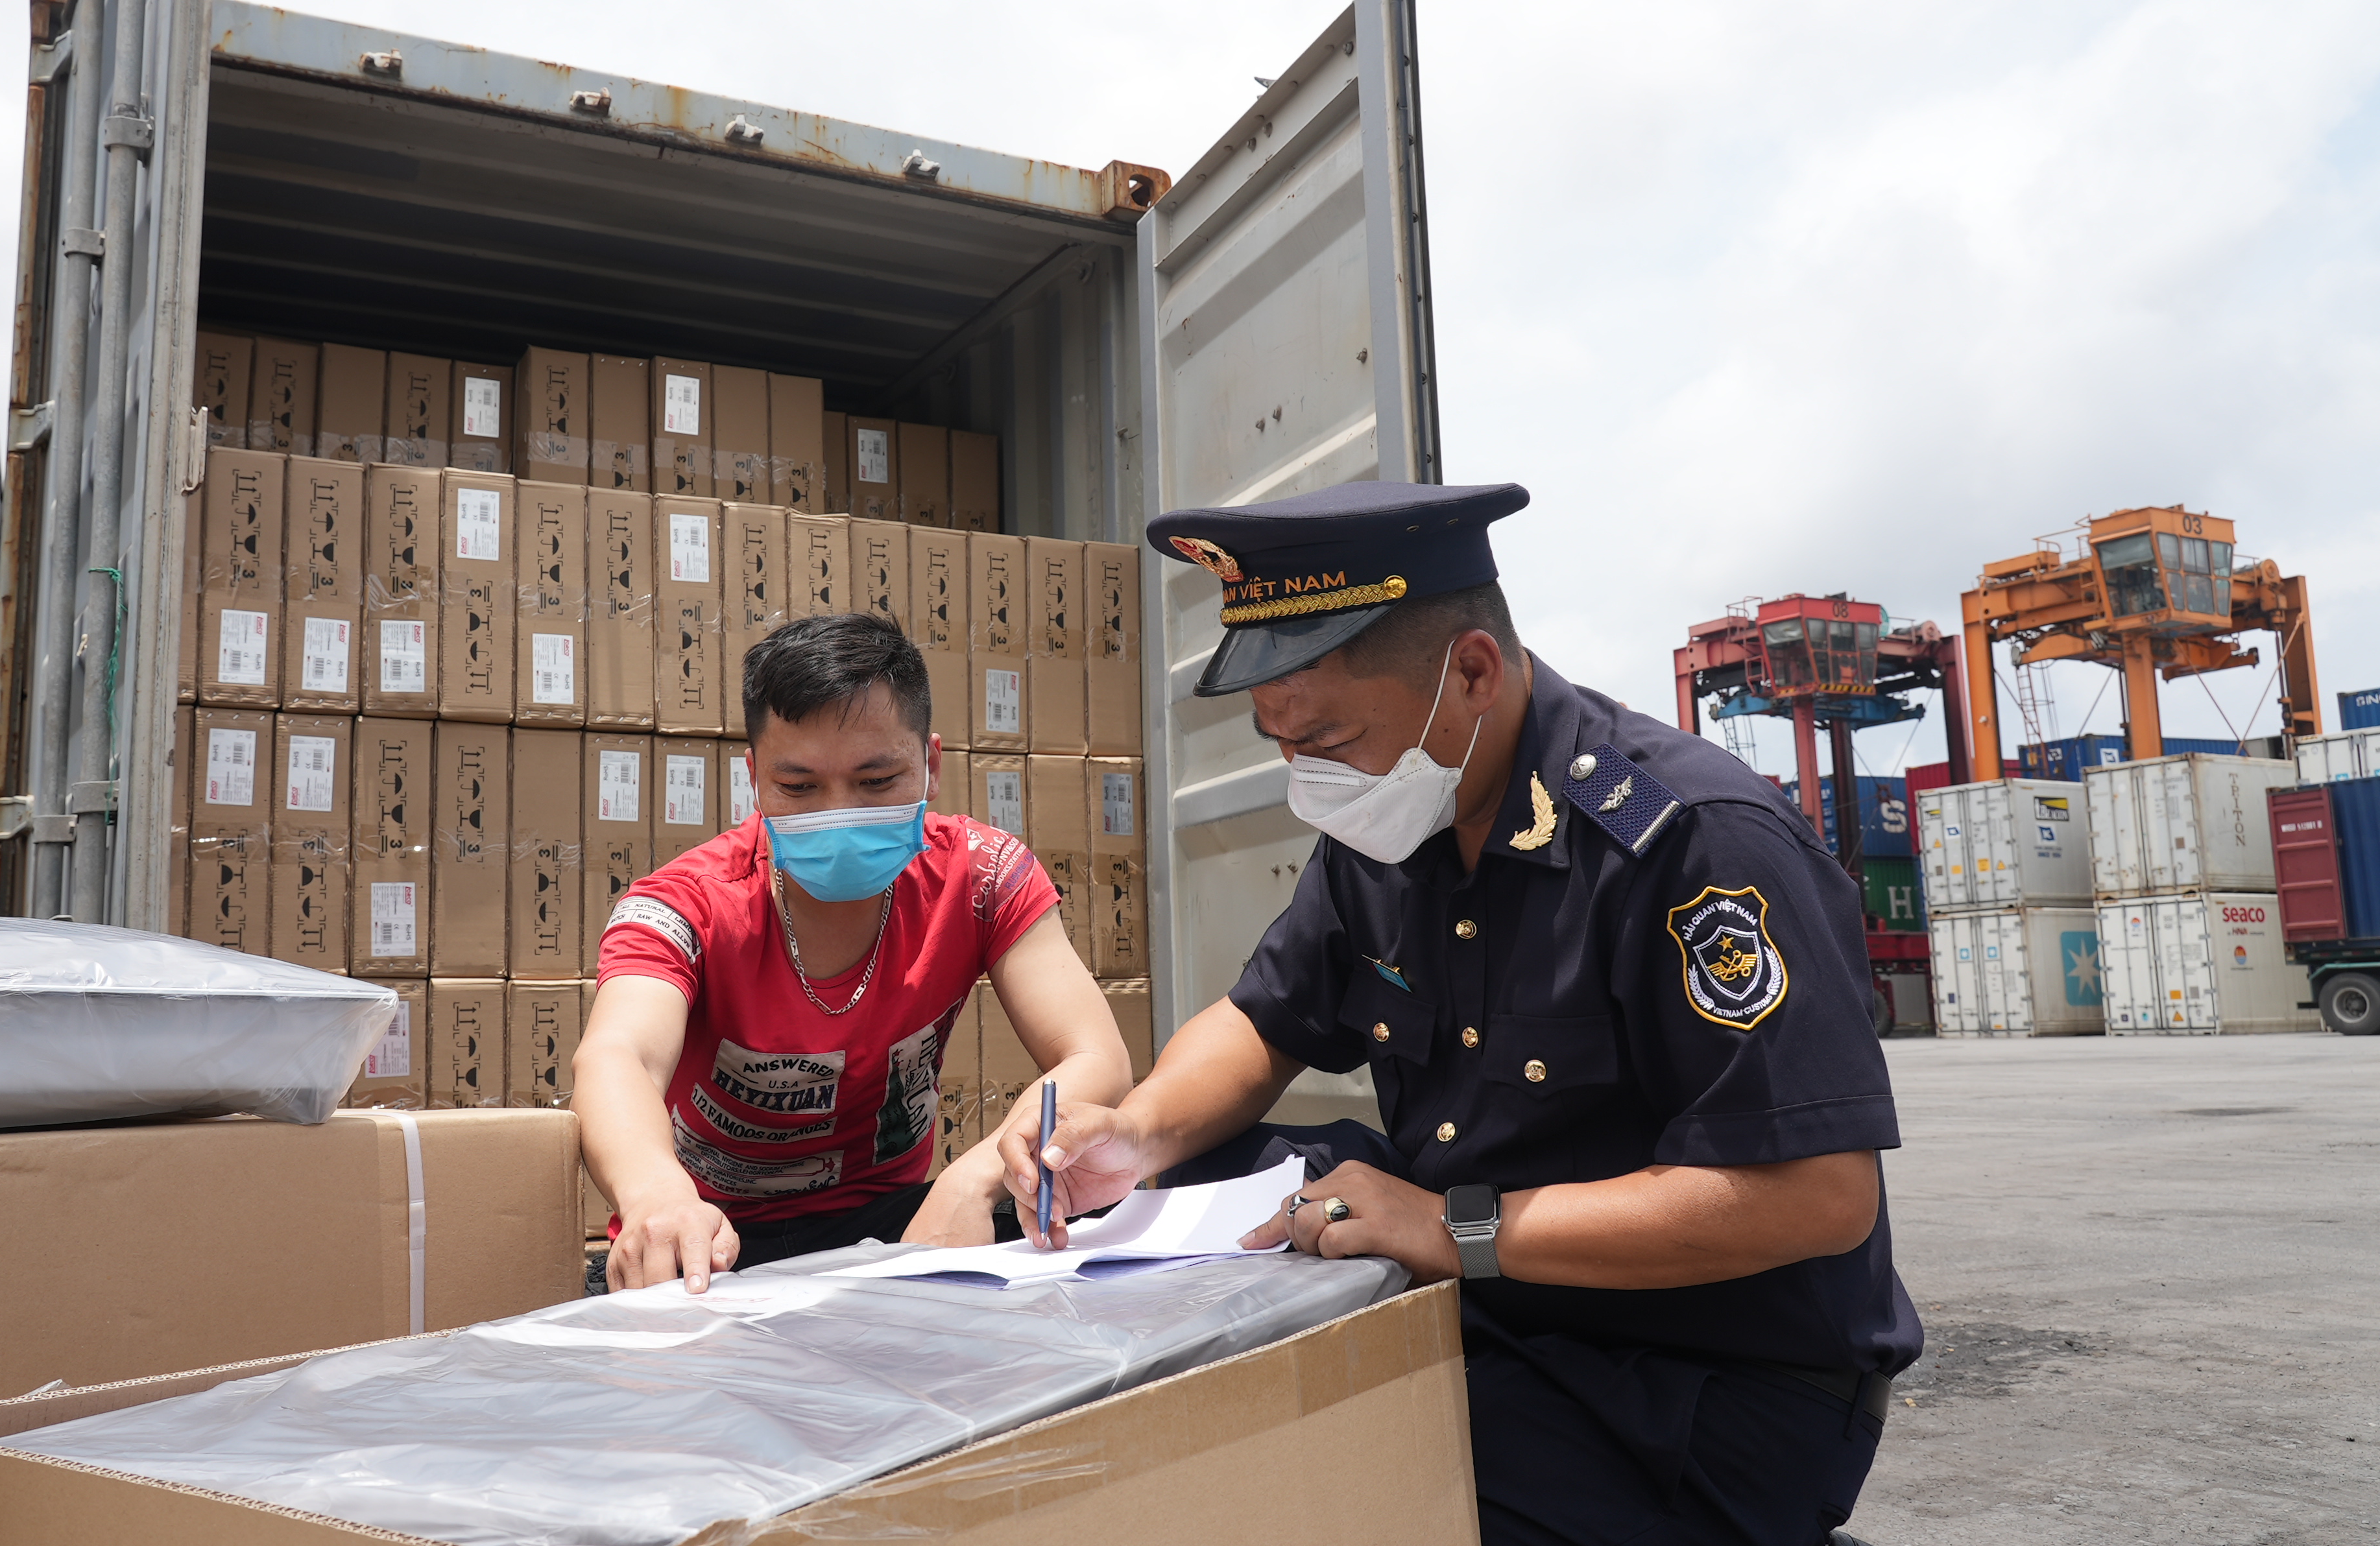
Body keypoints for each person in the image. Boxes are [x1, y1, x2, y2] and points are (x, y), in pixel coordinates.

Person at [995, 481, 1921, 1545]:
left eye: (1329, 737)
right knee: (1208, 1183)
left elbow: (1817, 1196)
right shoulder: (1393, 824)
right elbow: (1263, 1020)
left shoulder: (1689, 842)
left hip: (1700, 1383)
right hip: (1495, 1301)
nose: (1306, 776)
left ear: (1473, 672)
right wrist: (1135, 1134)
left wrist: (1451, 1226)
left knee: (1312, 1501)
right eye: (1279, 740)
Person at [574, 612, 1131, 1294]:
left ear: (930, 766)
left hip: (894, 1223)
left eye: (876, 780)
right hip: (710, 1237)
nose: (837, 812)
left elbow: (1096, 1057)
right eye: (799, 787)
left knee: (1093, 1201)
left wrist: (975, 1178)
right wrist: (655, 1193)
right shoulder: (685, 904)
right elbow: (618, 1054)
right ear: (754, 778)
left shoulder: (984, 876)